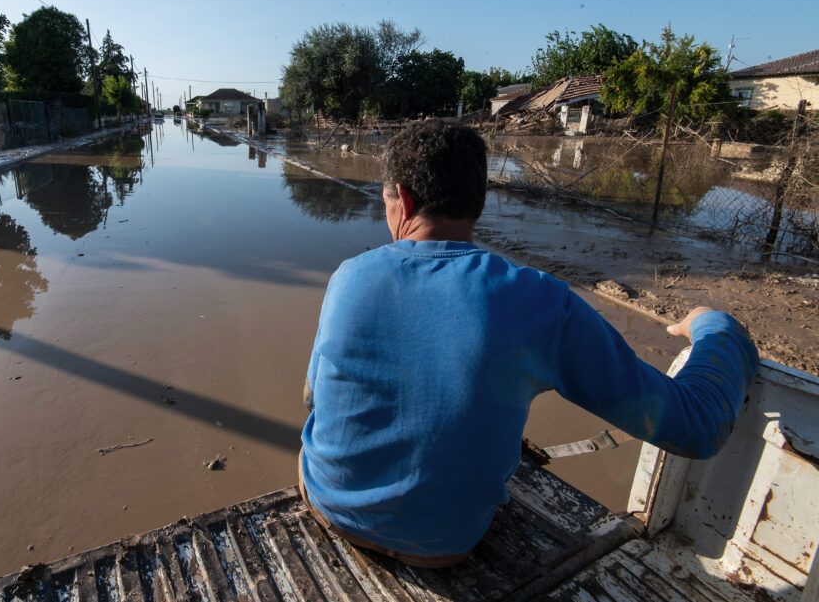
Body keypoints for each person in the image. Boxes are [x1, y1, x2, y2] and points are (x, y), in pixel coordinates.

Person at [298, 120, 758, 567]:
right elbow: (698, 425)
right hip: (442, 544)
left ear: (403, 198)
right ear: (478, 200)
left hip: (330, 507)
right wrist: (715, 327)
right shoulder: (540, 300)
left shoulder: (350, 276)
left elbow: (314, 397)